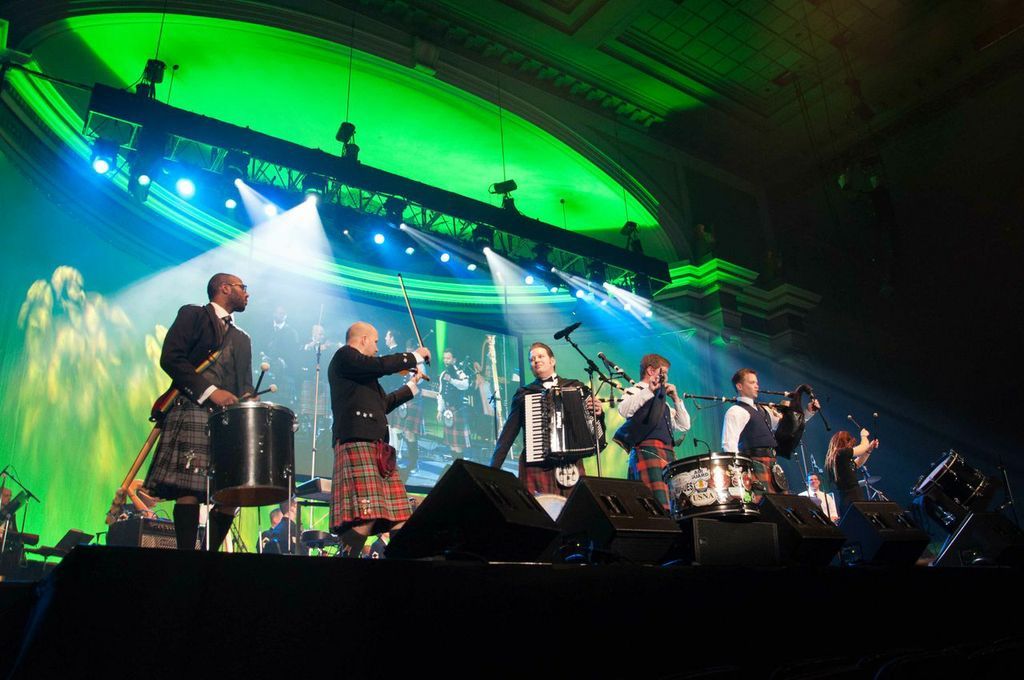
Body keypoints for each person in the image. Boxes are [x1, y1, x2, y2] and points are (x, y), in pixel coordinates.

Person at [143, 273, 254, 551]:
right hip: (192, 406)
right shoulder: (193, 315)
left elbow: (244, 385)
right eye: (242, 287)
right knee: (189, 488)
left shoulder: (242, 339)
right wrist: (211, 392)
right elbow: (171, 358)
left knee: (232, 492)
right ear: (224, 288)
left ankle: (208, 557)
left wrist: (248, 399)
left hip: (227, 421)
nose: (247, 293)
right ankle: (186, 557)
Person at [328, 322, 429, 557]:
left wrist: (411, 385)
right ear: (363, 339)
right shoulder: (345, 356)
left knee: (400, 517)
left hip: (376, 446)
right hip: (357, 441)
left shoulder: (362, 375)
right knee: (367, 517)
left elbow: (383, 404)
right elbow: (380, 365)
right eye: (375, 342)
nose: (376, 348)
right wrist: (414, 356)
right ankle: (342, 563)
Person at [490, 342, 604, 497]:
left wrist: (598, 413)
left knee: (574, 509)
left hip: (571, 465)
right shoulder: (524, 394)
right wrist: (492, 471)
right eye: (532, 359)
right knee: (539, 510)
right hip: (538, 465)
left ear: (552, 361)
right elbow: (508, 434)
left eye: (540, 356)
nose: (536, 360)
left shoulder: (576, 387)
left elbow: (593, 428)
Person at [721, 368, 818, 499]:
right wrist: (738, 475)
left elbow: (789, 428)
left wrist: (808, 412)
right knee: (761, 506)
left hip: (772, 465)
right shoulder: (736, 411)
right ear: (739, 386)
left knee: (781, 505)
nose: (756, 386)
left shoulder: (763, 410)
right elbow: (729, 445)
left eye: (757, 382)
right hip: (753, 466)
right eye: (752, 382)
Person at [615, 354, 691, 511]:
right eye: (664, 373)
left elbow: (684, 425)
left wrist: (675, 399)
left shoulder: (663, 401)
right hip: (647, 452)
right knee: (656, 505)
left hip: (667, 454)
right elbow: (624, 409)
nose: (667, 377)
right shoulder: (635, 391)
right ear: (651, 371)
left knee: (674, 506)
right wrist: (650, 389)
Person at [826, 429, 880, 517]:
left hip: (847, 499)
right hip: (853, 497)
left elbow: (857, 464)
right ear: (845, 441)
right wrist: (864, 436)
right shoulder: (840, 453)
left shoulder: (838, 458)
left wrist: (869, 449)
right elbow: (862, 447)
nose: (851, 446)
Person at [437, 349, 471, 460]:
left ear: (454, 360)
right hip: (448, 411)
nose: (446, 360)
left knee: (458, 446)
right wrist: (439, 410)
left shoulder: (460, 372)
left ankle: (459, 466)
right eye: (444, 358)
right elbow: (441, 393)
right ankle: (454, 465)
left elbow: (465, 385)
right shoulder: (443, 374)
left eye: (448, 358)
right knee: (451, 443)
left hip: (458, 410)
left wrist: (451, 380)